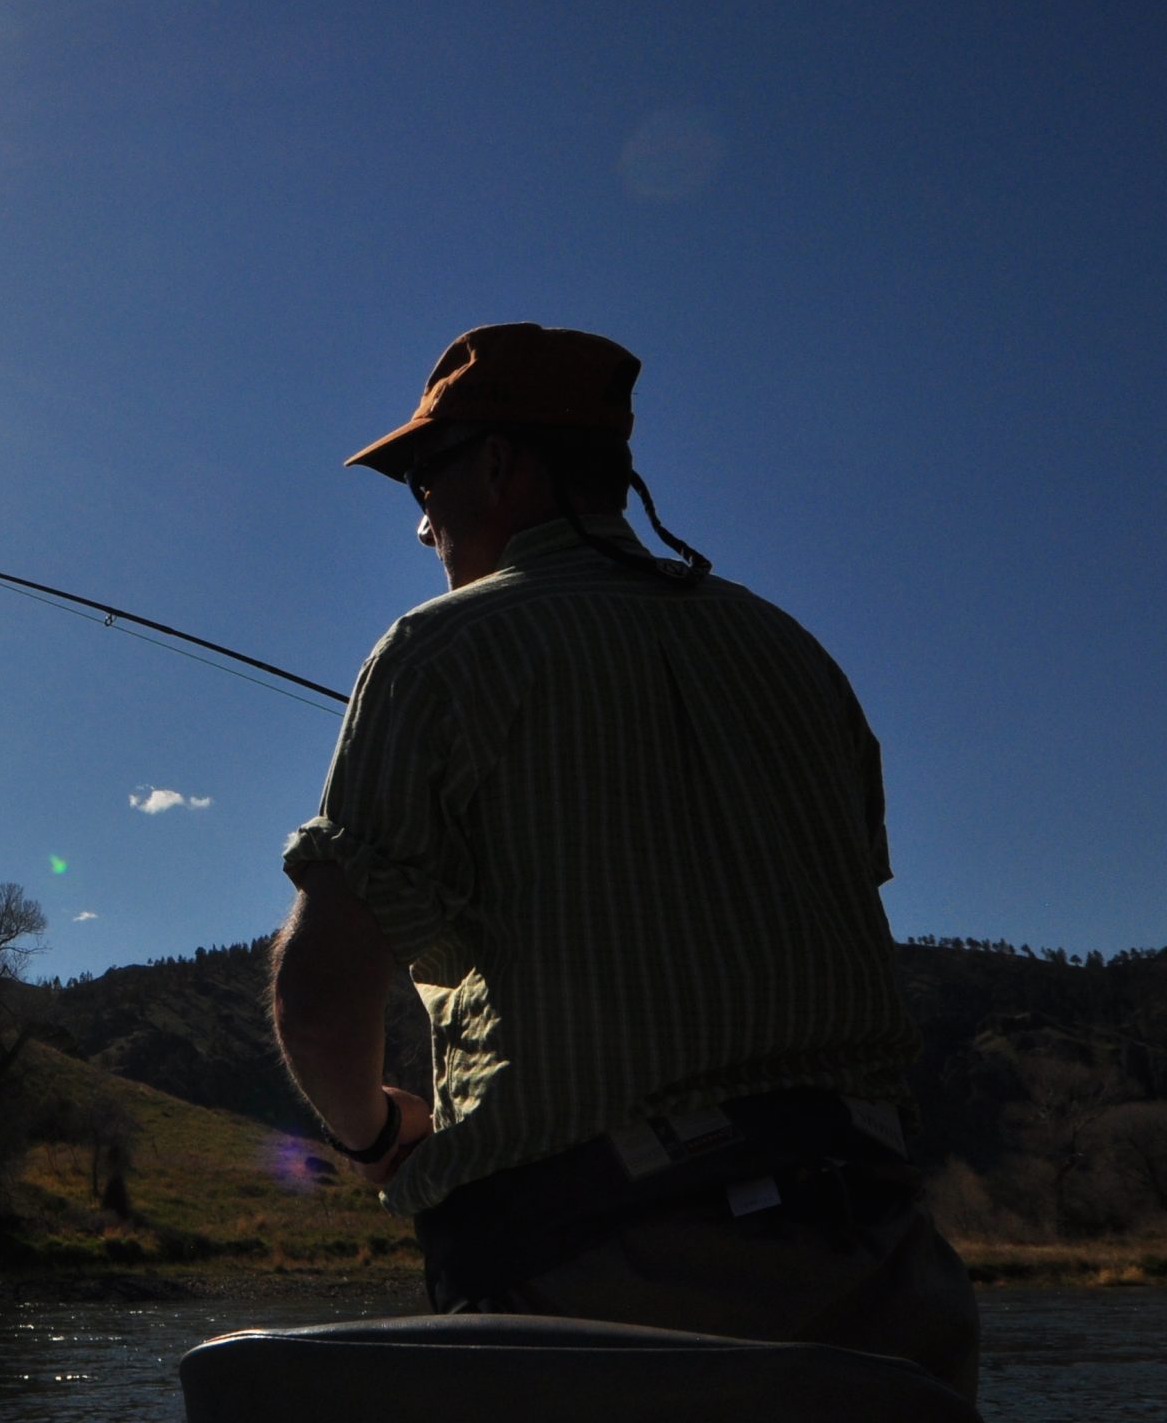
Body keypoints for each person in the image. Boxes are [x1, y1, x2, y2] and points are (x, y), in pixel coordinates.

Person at [267, 322, 979, 1396]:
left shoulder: (438, 648)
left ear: (501, 465)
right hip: (882, 1271)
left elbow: (321, 1002)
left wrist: (373, 1135)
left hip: (594, 1274)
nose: (419, 522)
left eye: (424, 473)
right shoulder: (791, 651)